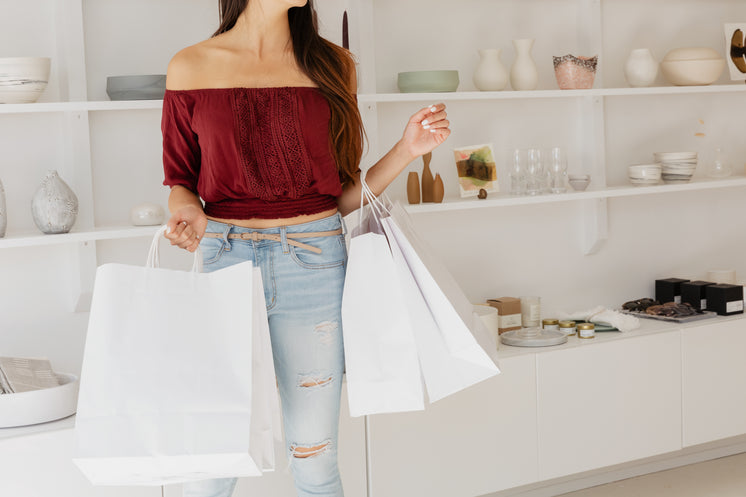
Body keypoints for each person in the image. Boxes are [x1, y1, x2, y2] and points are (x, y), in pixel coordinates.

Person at [161, 0, 450, 496]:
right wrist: (185, 208)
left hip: (314, 263)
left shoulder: (333, 66)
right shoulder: (190, 66)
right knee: (215, 455)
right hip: (224, 261)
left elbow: (342, 196)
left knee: (315, 461)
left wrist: (407, 149)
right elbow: (180, 180)